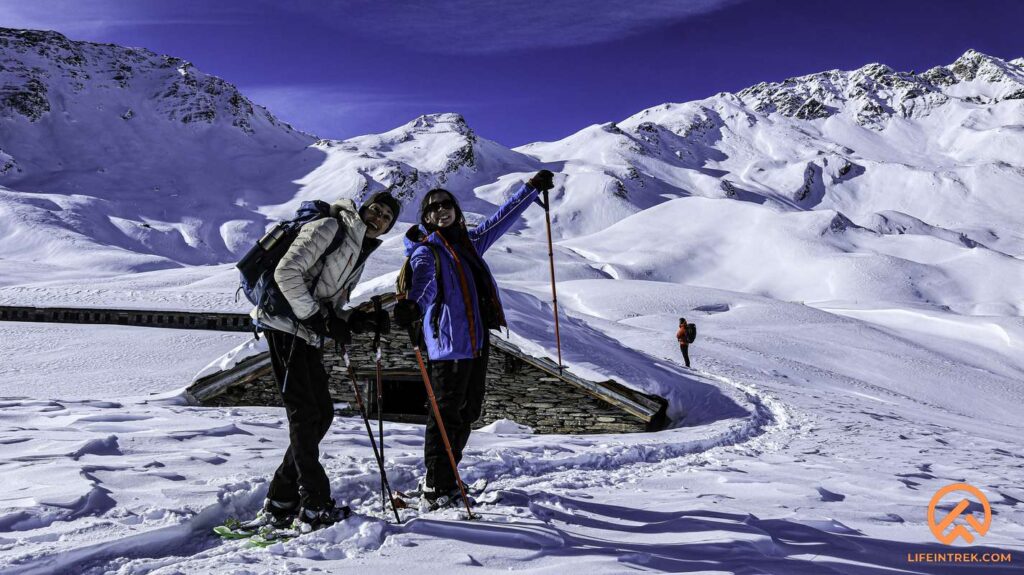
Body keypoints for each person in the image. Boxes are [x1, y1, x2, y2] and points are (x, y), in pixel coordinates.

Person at [393, 170, 555, 508]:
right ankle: (436, 484)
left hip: (477, 346)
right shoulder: (428, 251)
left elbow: (501, 220)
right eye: (434, 208)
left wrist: (530, 190)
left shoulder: (467, 244)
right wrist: (412, 306)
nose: (442, 210)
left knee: (468, 413)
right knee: (444, 417)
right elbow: (423, 286)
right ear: (425, 217)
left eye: (447, 204)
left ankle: (447, 476)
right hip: (448, 348)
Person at [247, 191, 400, 533]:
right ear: (364, 208)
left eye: (387, 217)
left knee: (322, 414)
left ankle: (282, 500)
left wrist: (356, 321)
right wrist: (316, 318)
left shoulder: (357, 249)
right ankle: (314, 504)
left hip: (304, 332)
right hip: (285, 326)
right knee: (306, 414)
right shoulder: (331, 227)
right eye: (376, 209)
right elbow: (287, 272)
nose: (379, 217)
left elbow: (329, 302)